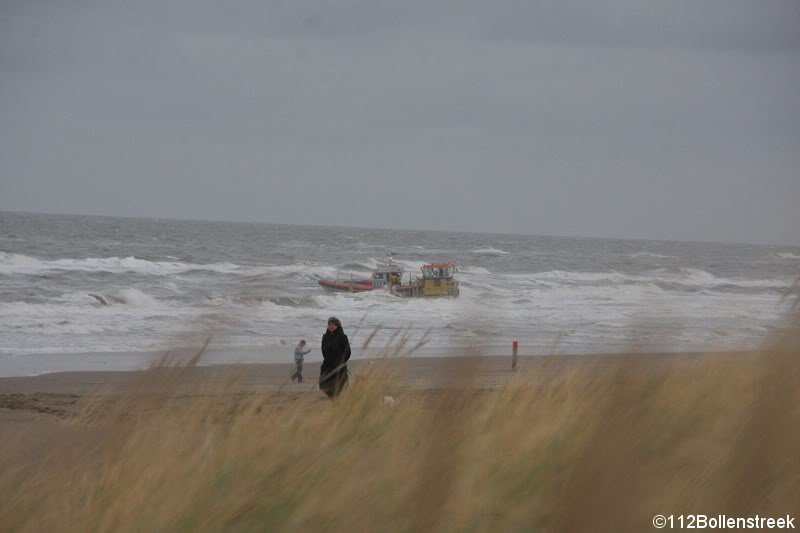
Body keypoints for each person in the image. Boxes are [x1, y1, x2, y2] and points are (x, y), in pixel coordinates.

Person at [319, 316, 351, 399]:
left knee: (340, 386)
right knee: (324, 385)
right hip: (327, 365)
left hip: (339, 366)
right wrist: (328, 359)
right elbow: (323, 350)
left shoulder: (342, 337)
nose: (330, 326)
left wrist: (341, 361)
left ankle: (338, 401)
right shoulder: (325, 337)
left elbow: (348, 352)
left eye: (332, 324)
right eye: (329, 324)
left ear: (337, 325)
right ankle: (334, 399)